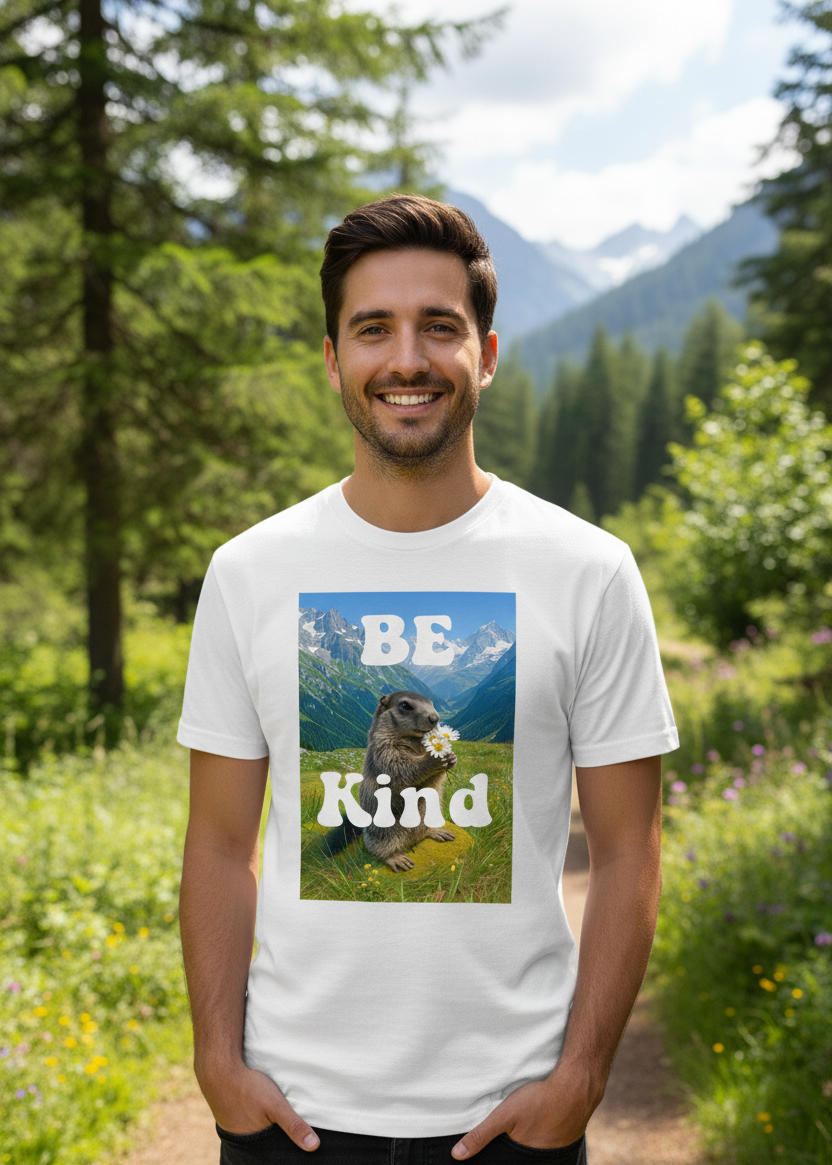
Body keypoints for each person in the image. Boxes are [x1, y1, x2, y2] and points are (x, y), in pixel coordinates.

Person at [177, 194, 679, 1165]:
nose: (405, 358)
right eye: (373, 328)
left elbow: (627, 848)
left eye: (438, 326)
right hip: (291, 1113)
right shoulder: (250, 571)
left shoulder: (587, 569)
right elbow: (220, 838)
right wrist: (216, 1063)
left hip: (509, 1111)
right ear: (333, 358)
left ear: (485, 354)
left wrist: (579, 1076)